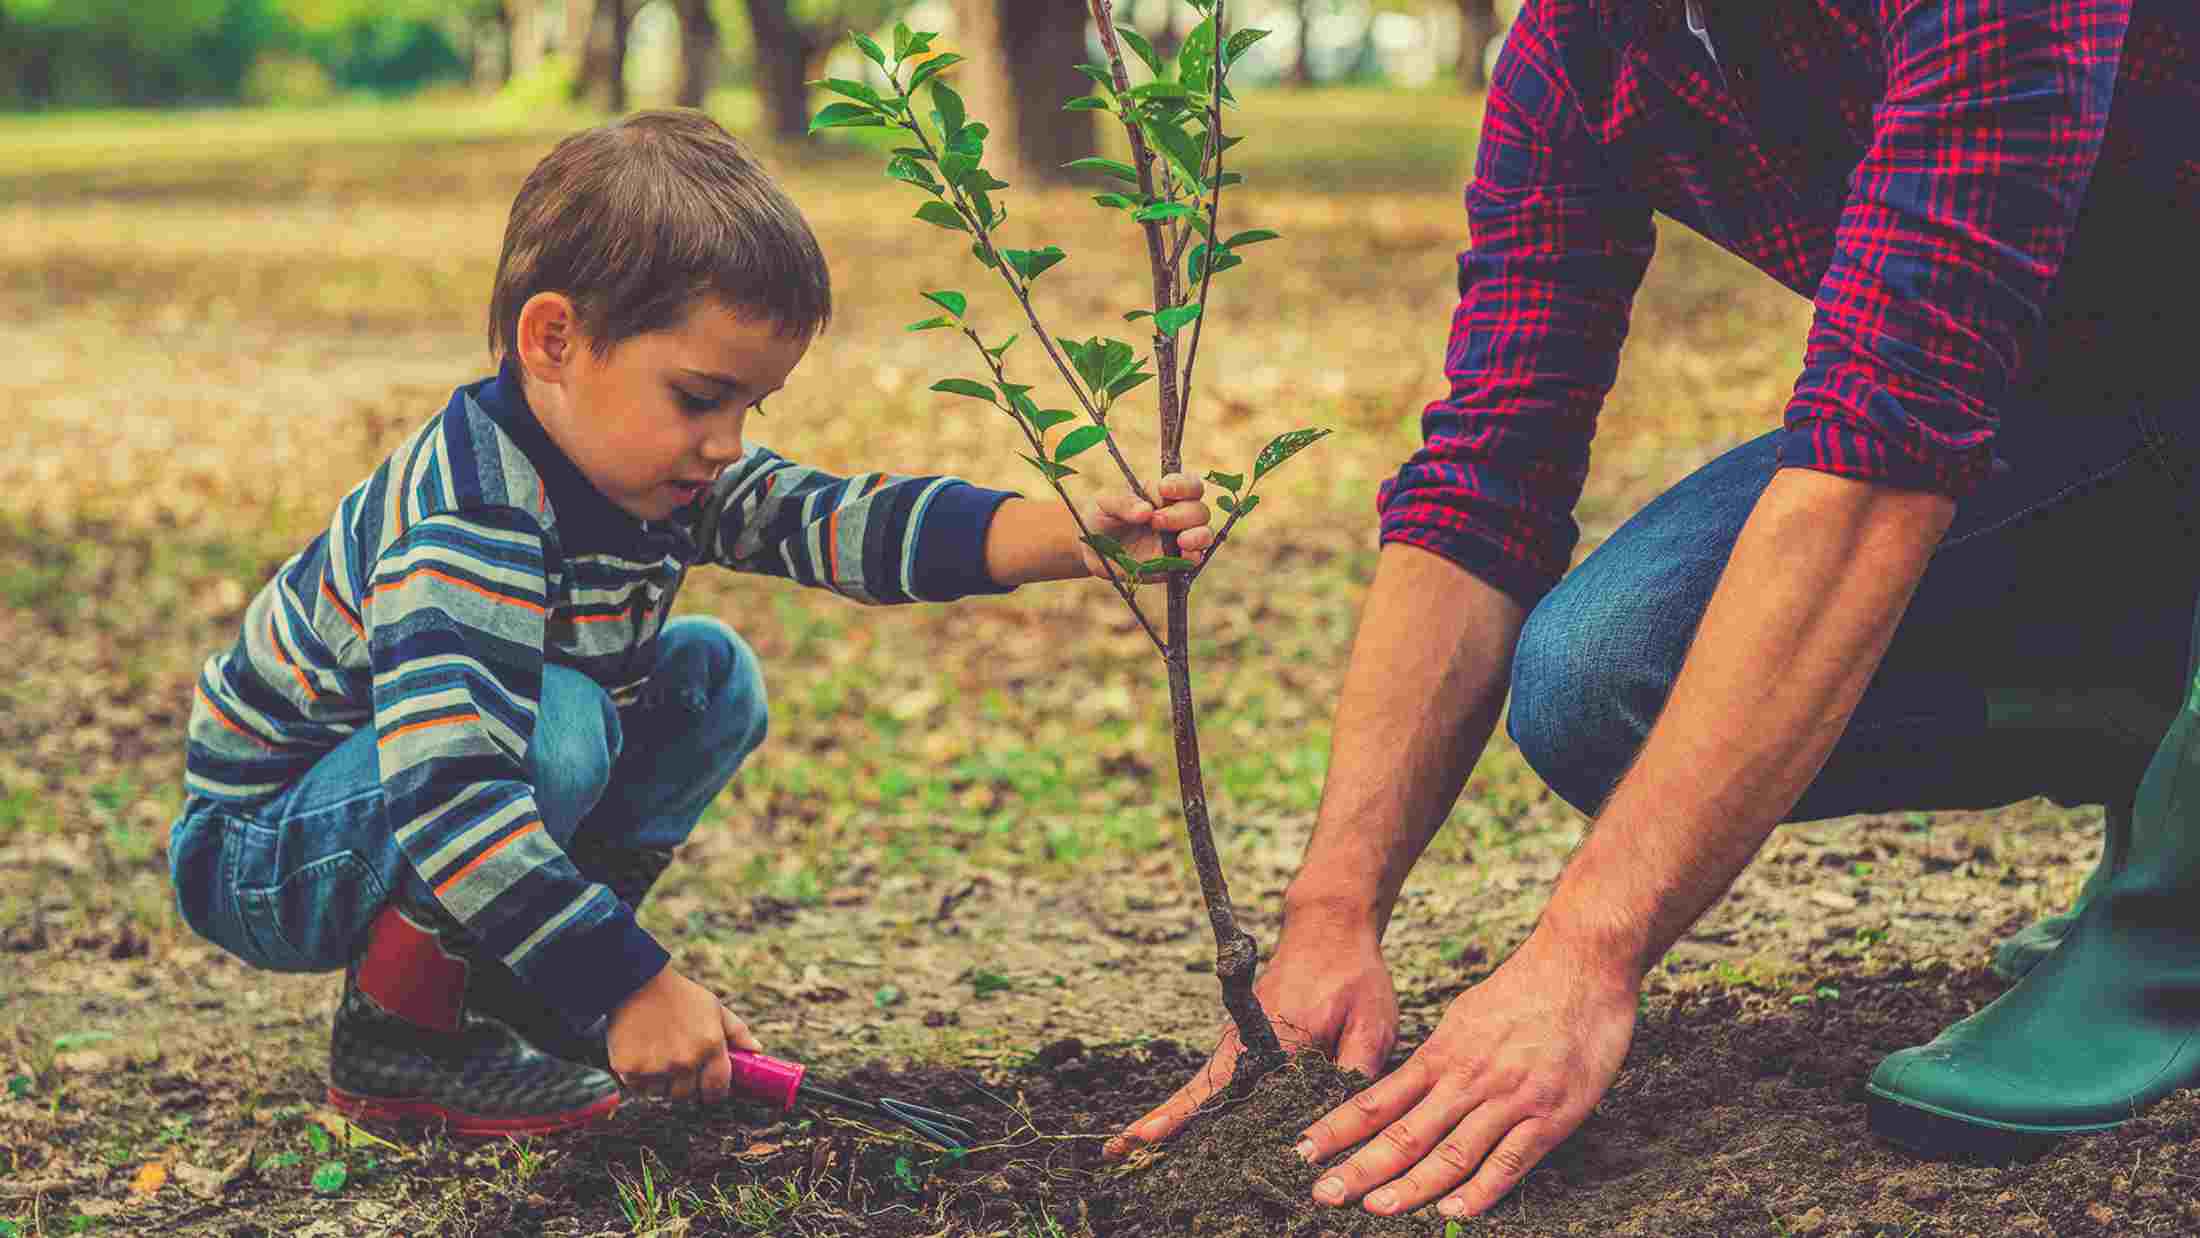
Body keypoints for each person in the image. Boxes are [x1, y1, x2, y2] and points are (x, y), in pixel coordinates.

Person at [1115, 0, 2199, 1221]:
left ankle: (2178, 917)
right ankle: (2166, 746)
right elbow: (1487, 469)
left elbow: (1884, 456)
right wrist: (1332, 909)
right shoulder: (1586, 47)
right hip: (2096, 396)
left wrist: (1586, 953)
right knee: (1607, 671)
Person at [167, 109, 1213, 1137]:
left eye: (749, 408)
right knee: (559, 720)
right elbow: (449, 796)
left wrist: (1070, 535)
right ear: (555, 338)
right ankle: (403, 1037)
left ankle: (528, 984)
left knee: (708, 675)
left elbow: (834, 518)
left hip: (401, 804)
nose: (726, 443)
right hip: (267, 846)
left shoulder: (652, 469)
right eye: (701, 397)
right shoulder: (470, 517)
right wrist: (633, 982)